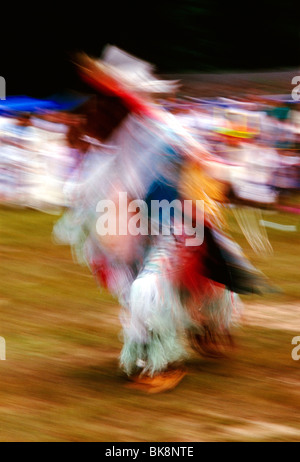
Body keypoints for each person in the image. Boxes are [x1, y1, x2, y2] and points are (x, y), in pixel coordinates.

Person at [54, 46, 271, 393]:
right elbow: (92, 189)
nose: (102, 106)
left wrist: (222, 180)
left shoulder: (162, 127)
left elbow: (208, 165)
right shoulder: (109, 140)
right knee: (135, 289)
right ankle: (159, 349)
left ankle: (163, 361)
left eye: (109, 98)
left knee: (150, 288)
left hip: (176, 225)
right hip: (132, 228)